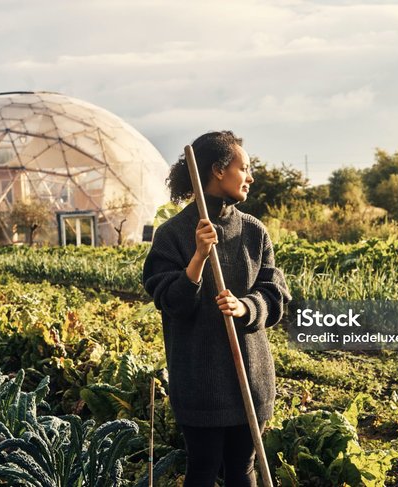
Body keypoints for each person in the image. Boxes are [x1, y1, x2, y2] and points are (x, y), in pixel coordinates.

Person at [142, 131, 291, 486]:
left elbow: (275, 294)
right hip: (199, 382)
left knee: (242, 468)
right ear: (218, 170)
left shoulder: (254, 232)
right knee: (204, 468)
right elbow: (169, 302)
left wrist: (245, 306)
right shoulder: (173, 234)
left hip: (250, 380)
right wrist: (198, 257)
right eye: (245, 167)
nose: (251, 177)